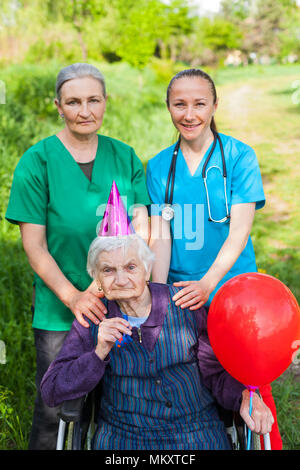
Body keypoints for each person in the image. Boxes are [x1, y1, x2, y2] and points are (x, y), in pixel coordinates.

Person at [5, 63, 151, 450]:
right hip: (60, 306)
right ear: (58, 106)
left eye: (93, 100)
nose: (84, 111)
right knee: (57, 406)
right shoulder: (37, 163)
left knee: (115, 402)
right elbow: (34, 246)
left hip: (120, 301)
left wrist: (108, 287)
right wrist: (76, 297)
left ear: (106, 103)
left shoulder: (126, 157)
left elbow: (142, 229)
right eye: (73, 102)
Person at [146, 68, 282, 449]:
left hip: (231, 289)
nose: (189, 114)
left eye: (199, 104)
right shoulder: (159, 167)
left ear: (214, 106)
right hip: (180, 292)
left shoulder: (239, 157)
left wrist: (209, 284)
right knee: (193, 378)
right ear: (169, 108)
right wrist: (158, 294)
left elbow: (239, 231)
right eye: (179, 104)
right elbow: (161, 236)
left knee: (252, 385)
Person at [40, 233, 274, 450]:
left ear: (147, 269)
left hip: (196, 434)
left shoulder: (185, 306)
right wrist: (98, 353)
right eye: (108, 270)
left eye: (130, 267)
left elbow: (216, 372)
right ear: (97, 279)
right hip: (124, 439)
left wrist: (245, 396)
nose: (121, 280)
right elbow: (51, 390)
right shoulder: (94, 318)